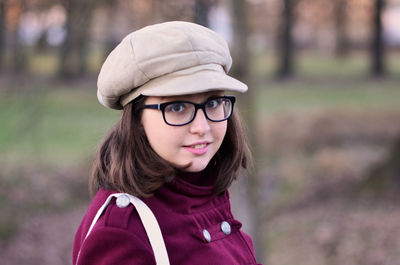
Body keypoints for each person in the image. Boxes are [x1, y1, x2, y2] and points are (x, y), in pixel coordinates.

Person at [72, 21, 261, 265]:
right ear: (137, 118)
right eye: (177, 107)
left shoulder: (203, 190)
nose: (201, 128)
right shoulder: (123, 233)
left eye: (213, 103)